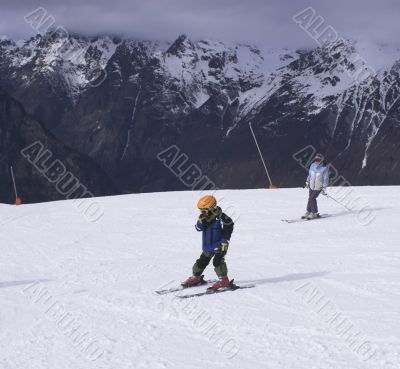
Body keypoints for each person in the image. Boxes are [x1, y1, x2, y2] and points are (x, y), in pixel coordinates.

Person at [182, 195, 234, 290]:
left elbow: (229, 225)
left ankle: (224, 281)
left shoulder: (220, 217)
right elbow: (198, 228)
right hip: (208, 245)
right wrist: (200, 222)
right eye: (201, 210)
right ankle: (196, 277)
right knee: (202, 261)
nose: (202, 213)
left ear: (211, 208)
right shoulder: (204, 218)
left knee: (218, 261)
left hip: (221, 244)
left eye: (204, 210)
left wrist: (225, 240)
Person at [303, 153, 329, 219]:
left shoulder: (324, 169)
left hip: (318, 187)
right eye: (315, 159)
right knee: (310, 198)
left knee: (312, 198)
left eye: (318, 160)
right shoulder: (312, 165)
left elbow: (326, 179)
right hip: (311, 186)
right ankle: (308, 211)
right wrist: (307, 182)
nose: (316, 161)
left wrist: (324, 189)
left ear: (321, 160)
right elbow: (310, 175)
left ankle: (314, 213)